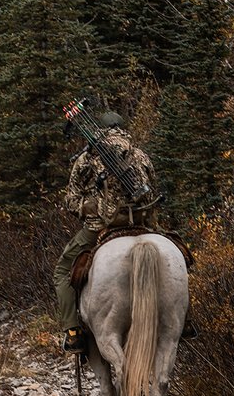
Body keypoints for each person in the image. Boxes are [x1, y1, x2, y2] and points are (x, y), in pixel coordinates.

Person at [52, 109, 159, 353]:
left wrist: (86, 206)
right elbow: (152, 191)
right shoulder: (140, 155)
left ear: (101, 129)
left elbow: (70, 201)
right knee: (178, 259)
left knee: (61, 271)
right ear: (123, 128)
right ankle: (185, 321)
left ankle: (73, 332)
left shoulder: (88, 157)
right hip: (142, 223)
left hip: (101, 226)